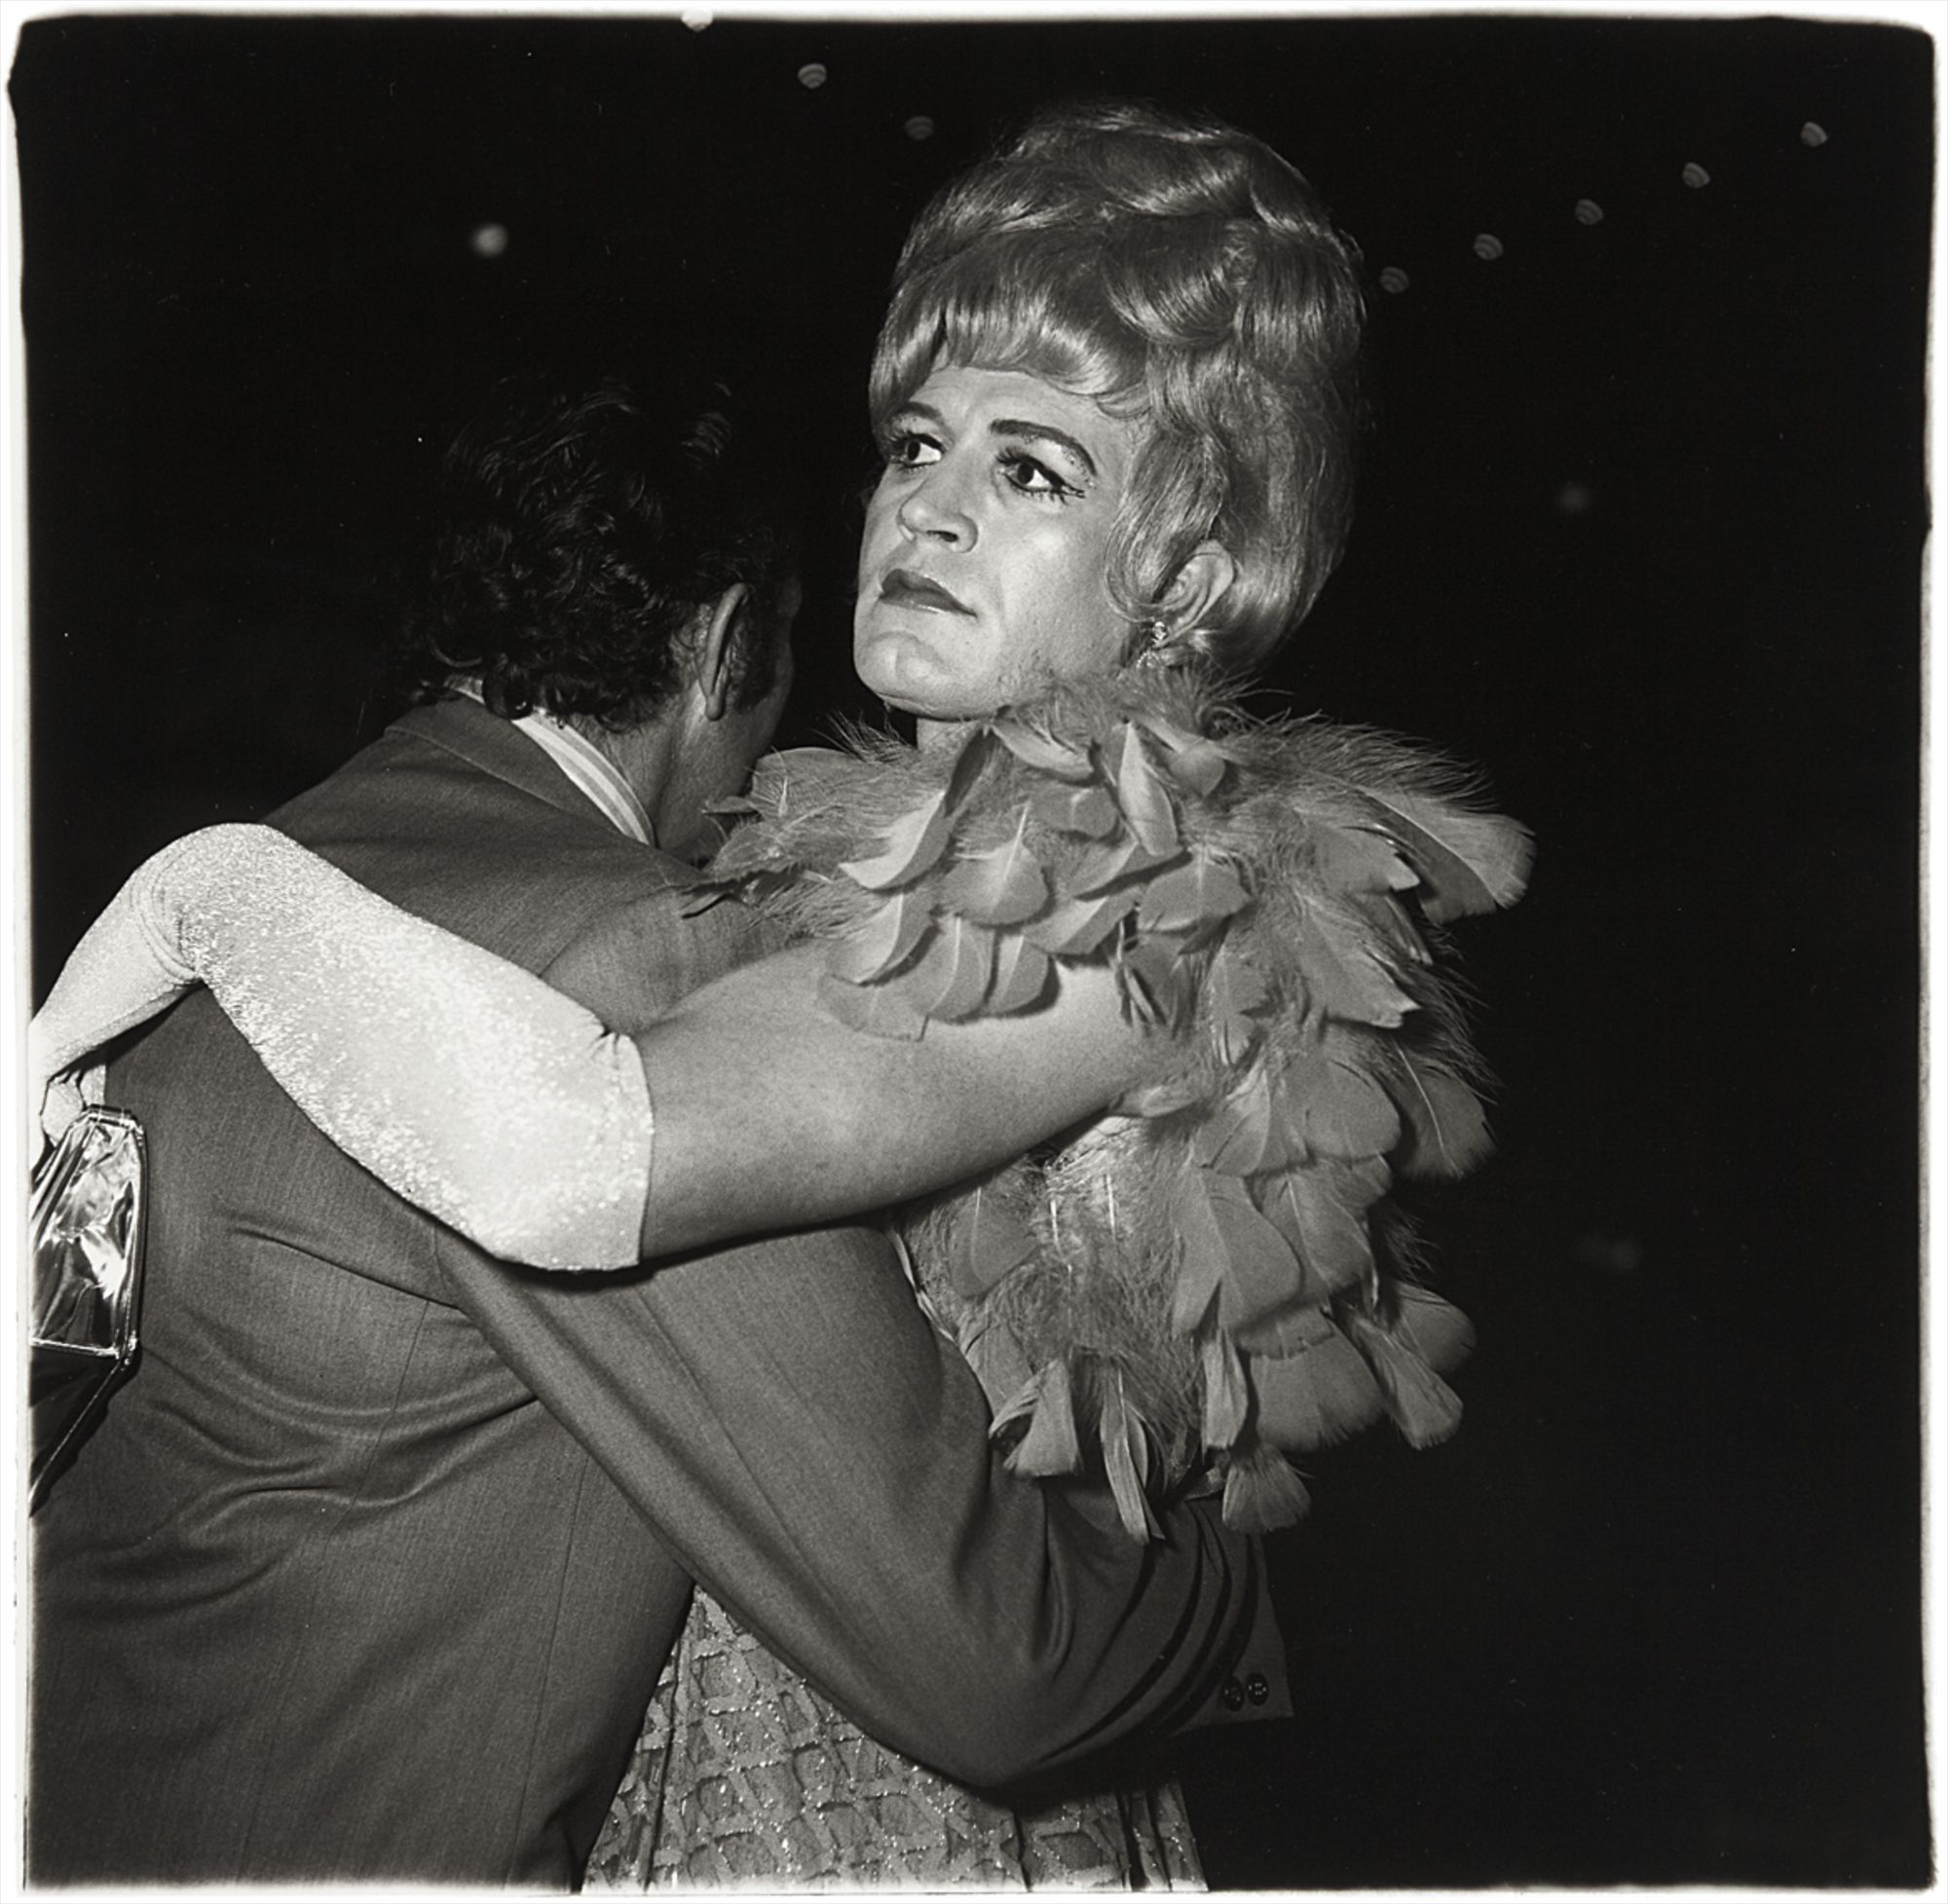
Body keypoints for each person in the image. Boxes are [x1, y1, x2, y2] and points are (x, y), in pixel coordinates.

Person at [32, 99, 1531, 1885]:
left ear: (1192, 574)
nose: (930, 510)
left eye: (1032, 469)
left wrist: (207, 892)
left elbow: (571, 1150)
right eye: (917, 442)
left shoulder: (1136, 895)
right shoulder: (848, 867)